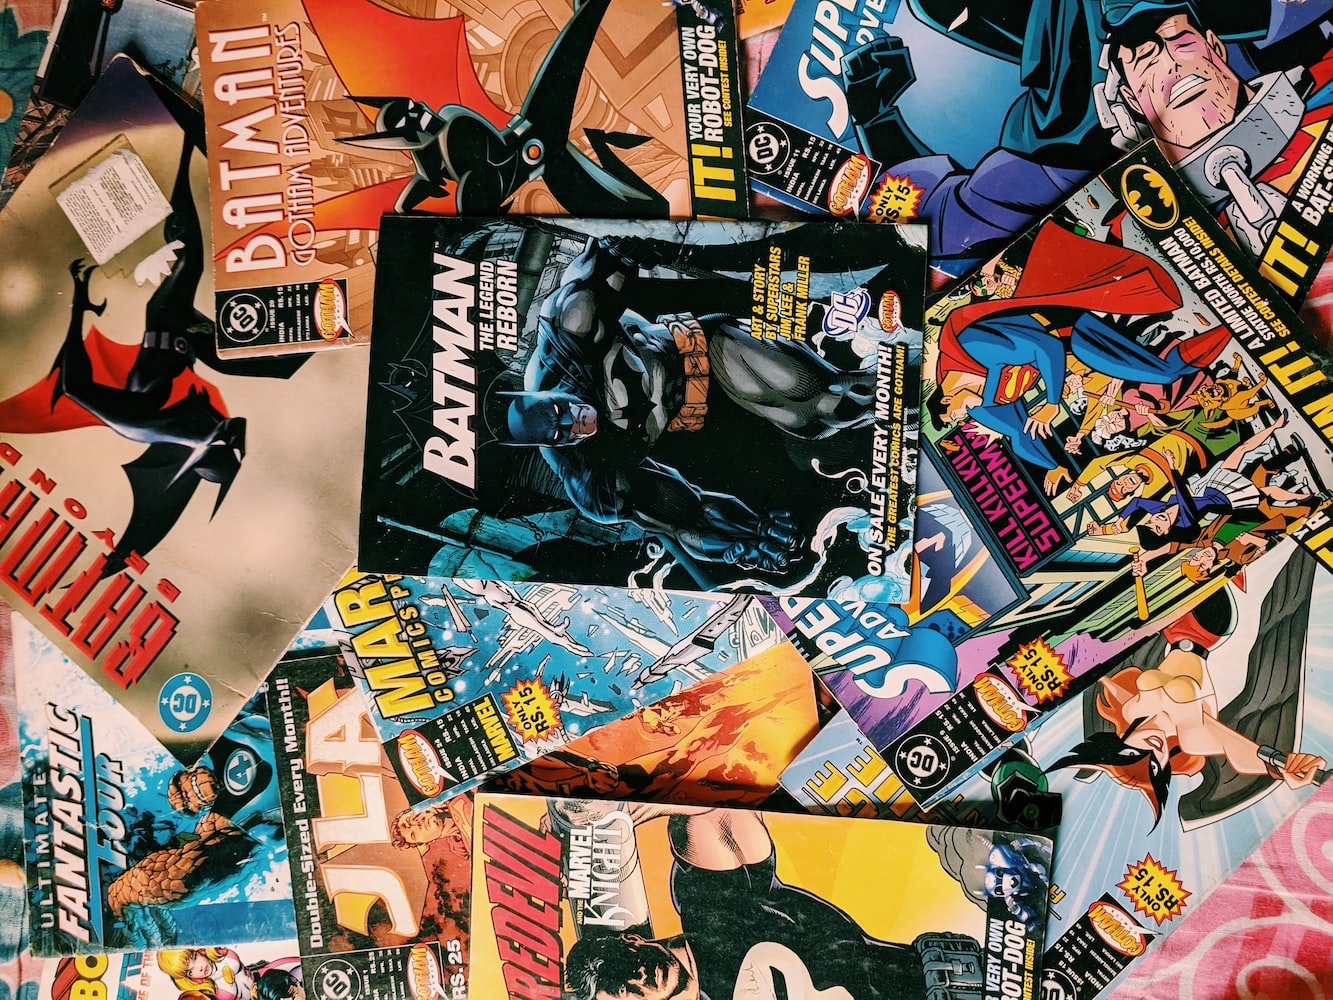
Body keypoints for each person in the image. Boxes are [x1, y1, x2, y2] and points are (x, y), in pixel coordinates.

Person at [563, 805, 973, 1000]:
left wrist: (631, 811)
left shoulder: (713, 908)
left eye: (622, 969)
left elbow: (716, 819)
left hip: (959, 978)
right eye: (624, 991)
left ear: (631, 941)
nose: (638, 978)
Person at [1052, 582, 1327, 828]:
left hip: (1171, 624)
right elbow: (1240, 751)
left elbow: (1102, 677)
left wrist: (1079, 669)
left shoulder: (1131, 710)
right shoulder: (1192, 735)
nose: (1150, 752)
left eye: (1132, 753)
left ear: (1120, 743)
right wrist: (1281, 768)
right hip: (1210, 626)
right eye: (1154, 766)